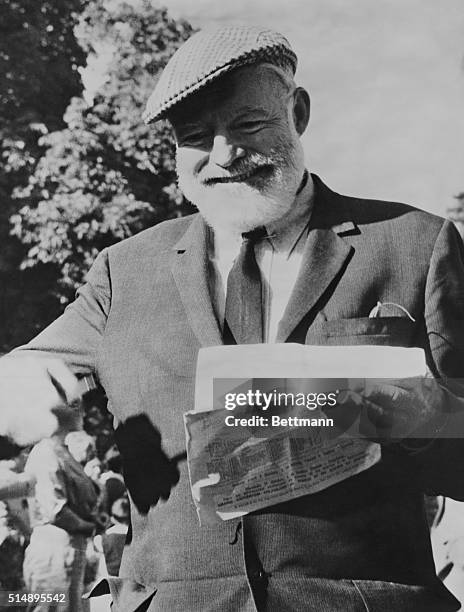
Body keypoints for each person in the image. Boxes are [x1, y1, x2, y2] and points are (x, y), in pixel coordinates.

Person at [1, 24, 464, 611]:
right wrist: (17, 385)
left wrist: (427, 417)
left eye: (247, 124)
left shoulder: (414, 246)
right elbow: (33, 367)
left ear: (297, 111)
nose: (223, 155)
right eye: (195, 136)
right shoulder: (123, 272)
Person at [22, 409, 98, 611]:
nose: (79, 408)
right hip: (54, 554)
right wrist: (90, 526)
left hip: (69, 550)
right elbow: (56, 511)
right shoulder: (45, 452)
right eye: (71, 403)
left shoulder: (61, 451)